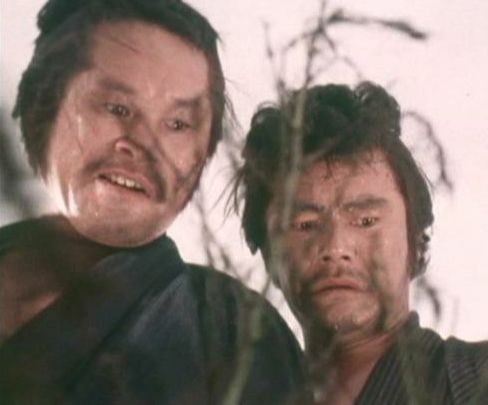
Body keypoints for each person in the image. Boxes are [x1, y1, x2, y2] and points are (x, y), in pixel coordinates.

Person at [0, 0, 305, 403]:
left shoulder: (231, 333)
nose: (144, 144)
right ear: (42, 105)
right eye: (117, 107)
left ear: (204, 154)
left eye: (178, 124)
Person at [236, 82, 488, 404]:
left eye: (366, 221)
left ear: (416, 244)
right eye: (306, 225)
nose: (336, 247)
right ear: (268, 255)